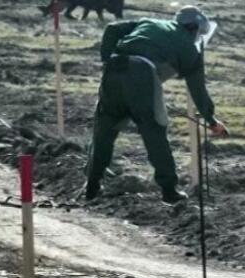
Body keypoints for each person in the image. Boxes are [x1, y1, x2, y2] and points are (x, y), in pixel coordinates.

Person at [84, 5, 228, 204]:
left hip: (114, 71)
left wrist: (106, 60)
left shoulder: (149, 22)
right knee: (155, 133)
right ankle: (169, 191)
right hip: (142, 76)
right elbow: (198, 90)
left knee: (104, 131)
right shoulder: (189, 48)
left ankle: (92, 185)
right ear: (194, 29)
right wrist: (211, 120)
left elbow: (112, 29)